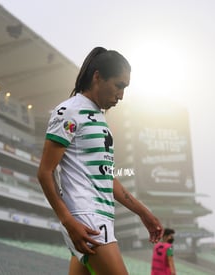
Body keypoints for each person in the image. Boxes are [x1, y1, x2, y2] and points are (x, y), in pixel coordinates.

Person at [37, 46, 163, 275]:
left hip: (100, 218)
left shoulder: (98, 117)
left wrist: (143, 212)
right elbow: (45, 172)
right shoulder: (69, 111)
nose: (121, 95)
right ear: (97, 77)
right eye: (119, 85)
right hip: (87, 218)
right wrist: (68, 221)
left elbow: (106, 177)